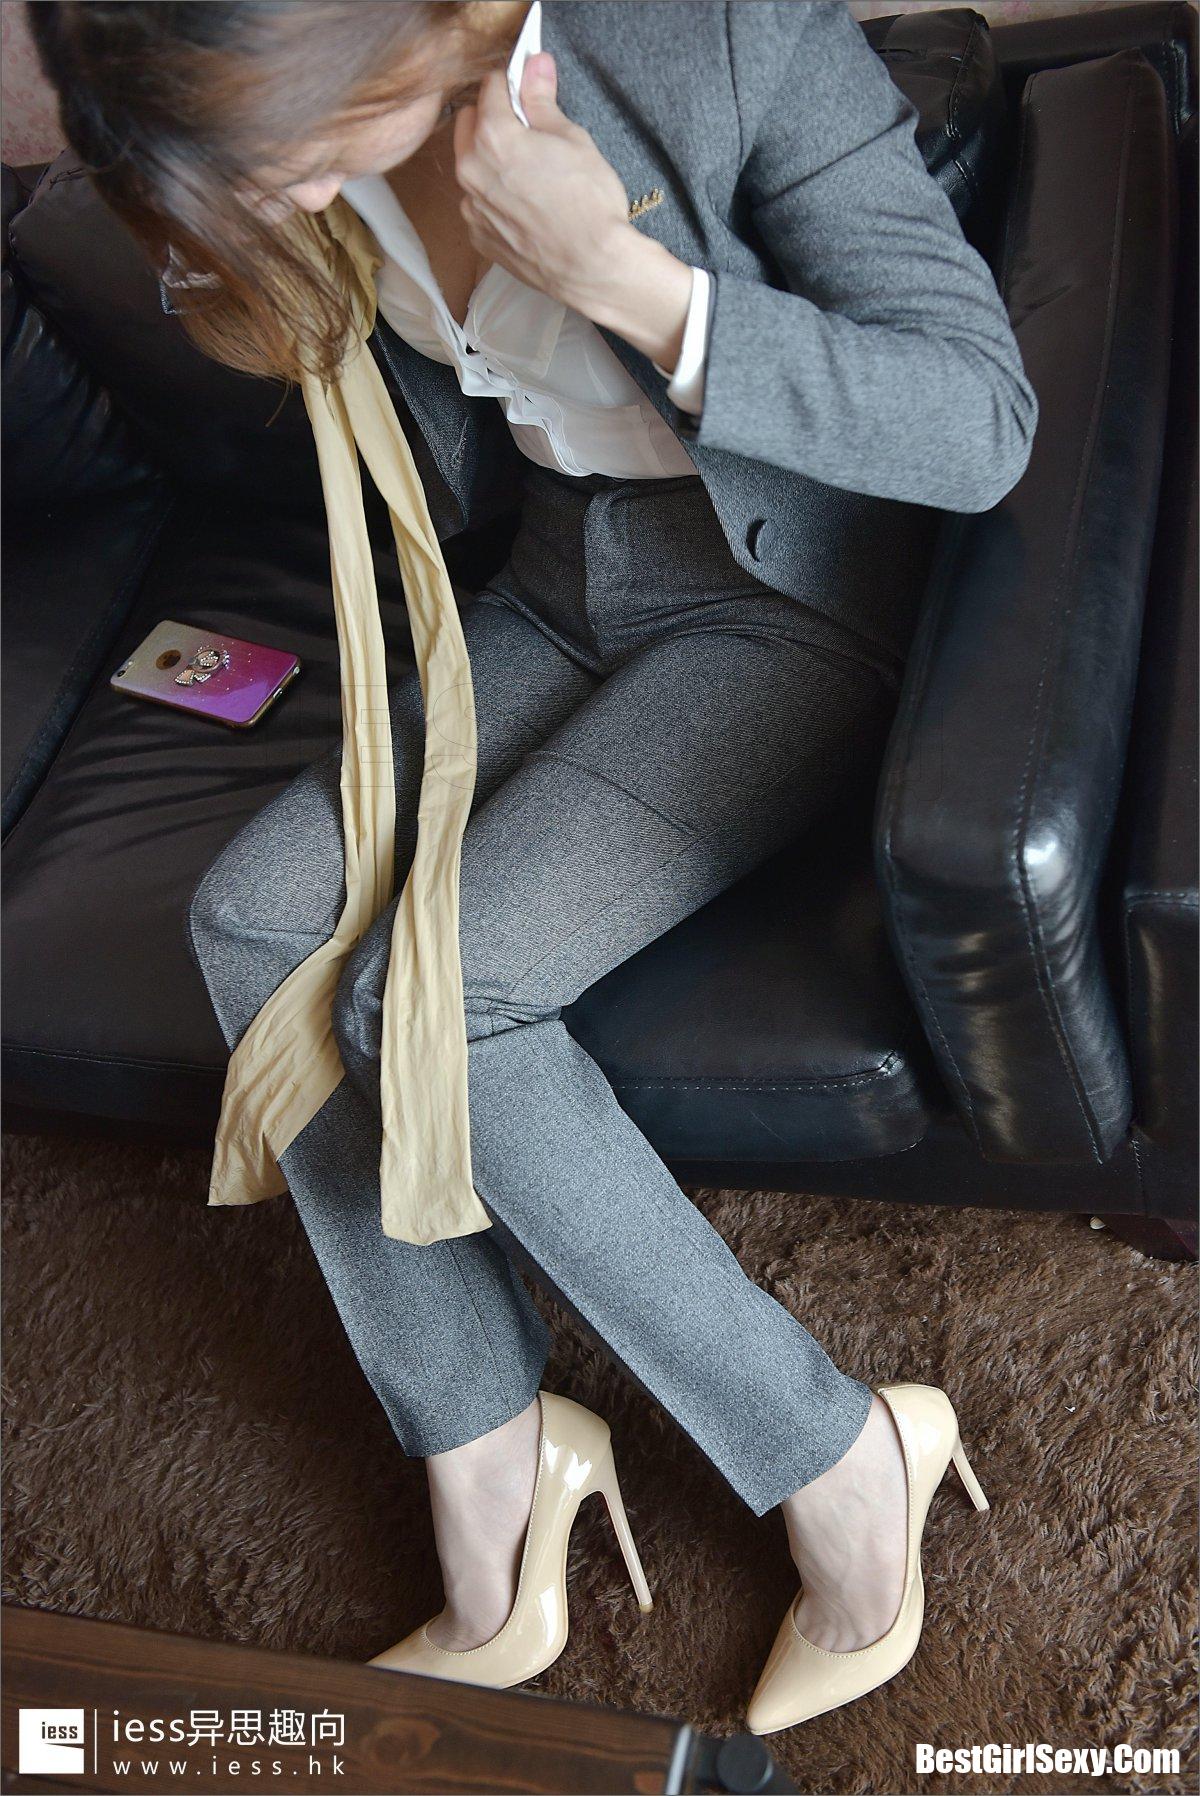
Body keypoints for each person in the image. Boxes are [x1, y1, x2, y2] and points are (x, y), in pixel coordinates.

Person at [28, 0, 1030, 1730]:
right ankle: (492, 1450)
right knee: (255, 922)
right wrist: (235, 244)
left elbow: (981, 420)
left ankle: (845, 1453)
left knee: (453, 997)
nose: (269, 193)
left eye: (271, 153)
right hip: (561, 576)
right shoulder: (283, 152)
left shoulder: (712, 39)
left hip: (774, 592)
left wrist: (640, 287)